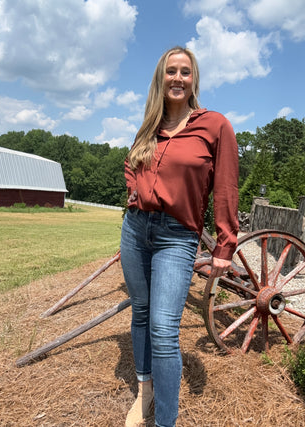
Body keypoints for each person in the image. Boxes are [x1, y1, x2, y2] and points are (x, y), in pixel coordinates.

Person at [120, 46, 239, 427]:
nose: (177, 77)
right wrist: (132, 190)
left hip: (177, 236)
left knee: (164, 329)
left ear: (194, 80)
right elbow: (131, 161)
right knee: (141, 312)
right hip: (136, 229)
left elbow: (225, 187)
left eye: (185, 72)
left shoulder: (214, 125)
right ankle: (145, 391)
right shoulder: (150, 126)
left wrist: (225, 243)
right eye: (170, 71)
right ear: (161, 77)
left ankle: (165, 422)